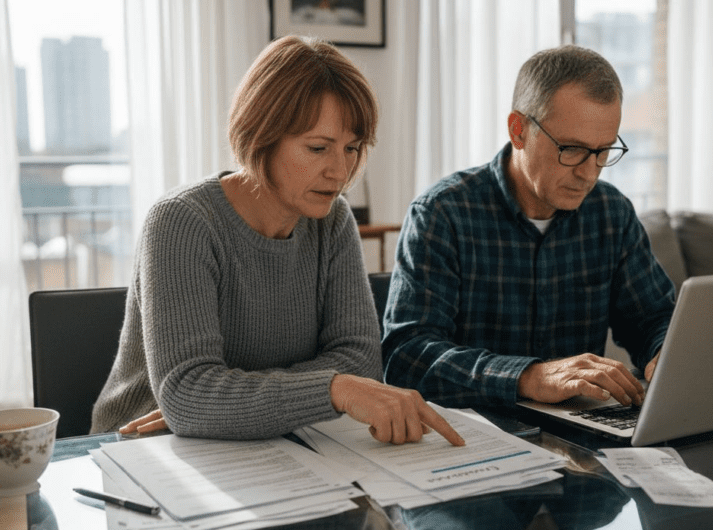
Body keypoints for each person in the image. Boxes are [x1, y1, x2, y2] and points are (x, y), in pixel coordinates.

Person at [90, 36, 463, 447]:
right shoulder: (182, 221)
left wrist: (226, 405)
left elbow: (359, 361)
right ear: (260, 134)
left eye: (352, 148)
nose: (340, 171)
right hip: (145, 448)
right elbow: (188, 395)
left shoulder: (332, 222)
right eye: (318, 148)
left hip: (267, 441)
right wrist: (332, 389)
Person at [382, 45, 675, 411]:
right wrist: (528, 377)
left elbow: (654, 317)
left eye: (603, 151)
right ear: (518, 130)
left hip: (582, 437)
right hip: (477, 438)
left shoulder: (610, 213)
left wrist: (664, 353)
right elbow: (407, 358)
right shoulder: (442, 214)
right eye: (571, 149)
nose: (589, 172)